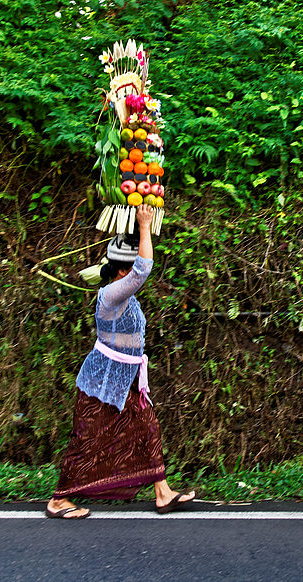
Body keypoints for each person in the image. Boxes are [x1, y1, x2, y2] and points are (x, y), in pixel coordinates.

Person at [46, 204, 196, 519]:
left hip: (124, 380)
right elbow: (144, 268)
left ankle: (162, 493)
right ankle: (59, 500)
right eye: (130, 272)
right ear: (122, 272)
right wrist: (144, 225)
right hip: (100, 383)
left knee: (148, 428)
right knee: (88, 439)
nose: (135, 278)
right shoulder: (111, 295)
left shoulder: (123, 296)